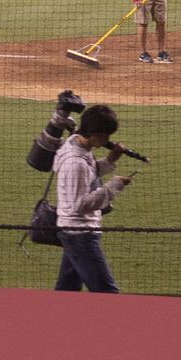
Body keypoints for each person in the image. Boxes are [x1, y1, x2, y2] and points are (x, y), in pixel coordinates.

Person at [52, 105, 135, 293]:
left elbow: (88, 176)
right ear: (94, 134)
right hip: (79, 233)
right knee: (106, 291)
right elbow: (79, 205)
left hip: (74, 231)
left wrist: (110, 160)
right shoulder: (76, 162)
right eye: (106, 135)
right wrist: (114, 186)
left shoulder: (78, 145)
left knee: (67, 289)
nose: (108, 140)